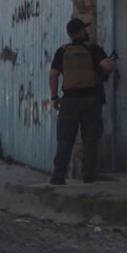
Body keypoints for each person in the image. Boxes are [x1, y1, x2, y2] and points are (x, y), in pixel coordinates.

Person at [49, 17, 114, 185]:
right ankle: (88, 177)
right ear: (79, 32)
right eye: (84, 29)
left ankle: (58, 176)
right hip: (91, 100)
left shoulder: (62, 51)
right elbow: (108, 66)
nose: (87, 31)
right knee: (90, 140)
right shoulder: (92, 48)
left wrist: (54, 97)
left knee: (65, 139)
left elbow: (53, 75)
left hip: (69, 101)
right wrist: (98, 71)